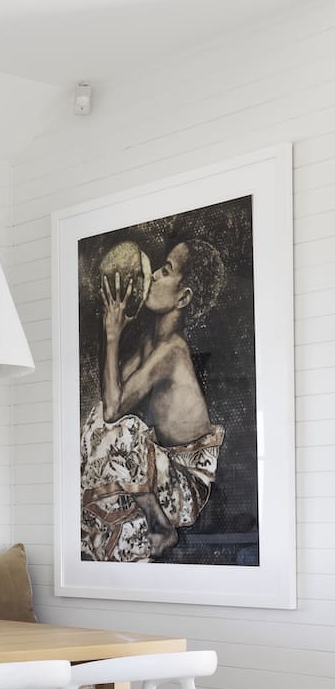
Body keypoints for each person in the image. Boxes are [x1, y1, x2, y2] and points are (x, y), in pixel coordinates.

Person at [81, 238, 225, 561]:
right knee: (95, 423)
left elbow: (119, 413)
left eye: (166, 270)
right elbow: (109, 403)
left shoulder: (172, 350)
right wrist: (112, 332)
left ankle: (162, 527)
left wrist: (113, 336)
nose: (154, 276)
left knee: (129, 430)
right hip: (162, 471)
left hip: (185, 486)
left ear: (183, 297)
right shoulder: (151, 341)